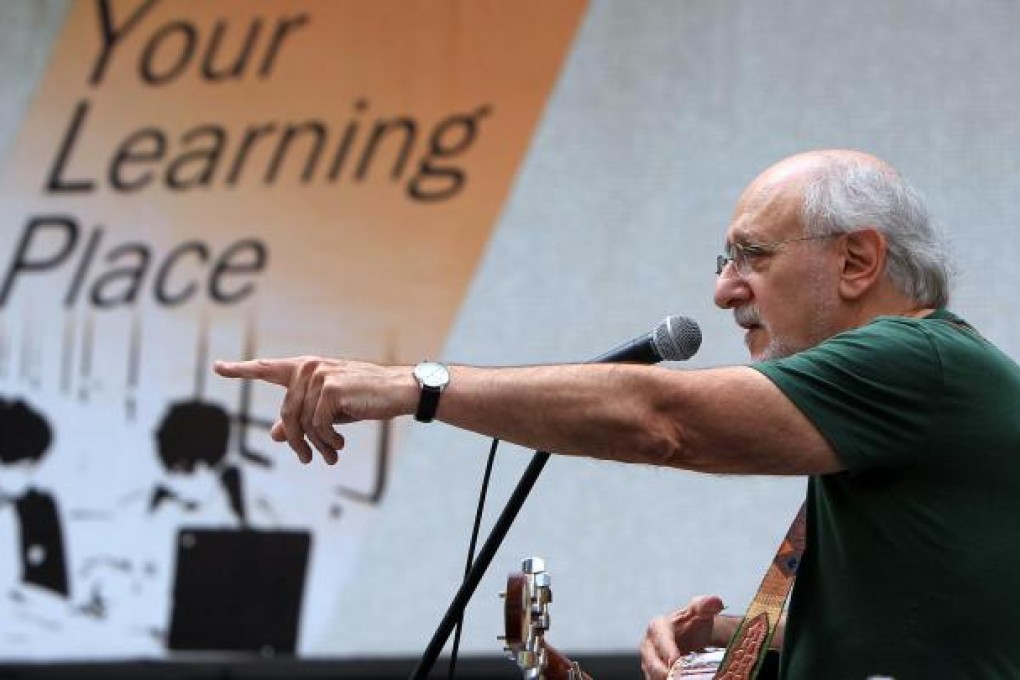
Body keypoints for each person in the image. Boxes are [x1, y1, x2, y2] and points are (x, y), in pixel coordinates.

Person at [214, 149, 1020, 679]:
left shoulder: (916, 362)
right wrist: (731, 636)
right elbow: (923, 627)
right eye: (724, 260)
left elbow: (663, 419)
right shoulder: (905, 396)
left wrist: (417, 385)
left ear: (857, 261)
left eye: (753, 257)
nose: (723, 289)